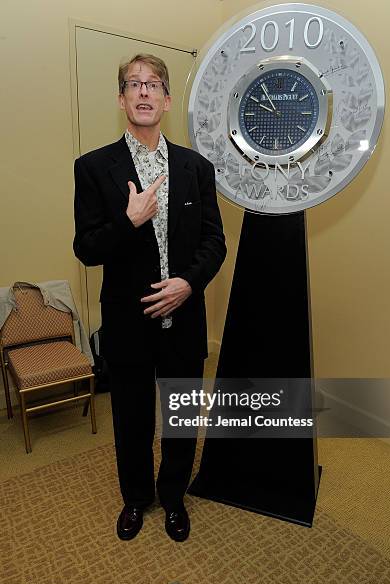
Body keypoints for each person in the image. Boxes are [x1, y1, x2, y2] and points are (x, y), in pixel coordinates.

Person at [73, 53, 226, 542]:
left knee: (180, 416)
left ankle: (175, 497)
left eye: (153, 84)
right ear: (121, 99)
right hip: (127, 324)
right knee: (132, 420)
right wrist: (129, 220)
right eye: (133, 84)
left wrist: (188, 283)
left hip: (184, 320)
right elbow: (87, 248)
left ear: (166, 99)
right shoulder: (94, 168)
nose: (143, 92)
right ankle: (137, 499)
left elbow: (214, 241)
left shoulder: (196, 168)